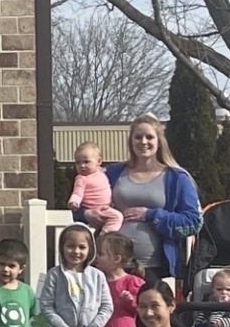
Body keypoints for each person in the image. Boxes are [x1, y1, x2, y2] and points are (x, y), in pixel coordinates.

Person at [86, 114, 203, 285]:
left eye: (149, 137)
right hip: (112, 266)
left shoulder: (177, 178)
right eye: (138, 137)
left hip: (154, 268)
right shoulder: (113, 173)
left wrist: (151, 215)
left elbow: (193, 222)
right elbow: (83, 200)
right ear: (130, 141)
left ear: (159, 141)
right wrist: (88, 213)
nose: (143, 142)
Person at [36, 225, 111, 327]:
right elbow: (46, 305)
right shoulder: (54, 274)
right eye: (70, 246)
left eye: (82, 247)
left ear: (90, 249)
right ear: (62, 248)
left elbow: (107, 307)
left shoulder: (97, 276)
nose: (76, 251)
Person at [95, 231, 145, 327]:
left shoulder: (132, 281)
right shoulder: (97, 280)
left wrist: (130, 302)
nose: (96, 258)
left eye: (100, 254)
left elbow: (142, 308)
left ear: (117, 258)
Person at [67, 141, 121, 232]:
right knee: (117, 217)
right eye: (78, 163)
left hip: (106, 207)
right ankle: (105, 236)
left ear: (99, 161)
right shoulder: (82, 178)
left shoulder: (101, 172)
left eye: (86, 162)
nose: (82, 166)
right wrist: (74, 202)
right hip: (95, 209)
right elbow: (78, 192)